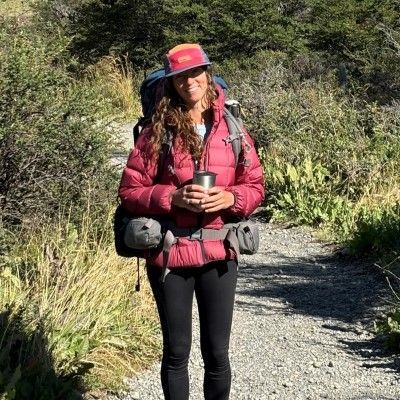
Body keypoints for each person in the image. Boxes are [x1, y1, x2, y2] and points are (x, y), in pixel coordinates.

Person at [118, 43, 265, 400]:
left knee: (217, 355)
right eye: (180, 77)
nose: (189, 82)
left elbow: (255, 184)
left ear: (207, 74)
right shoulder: (157, 130)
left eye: (195, 73)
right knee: (176, 354)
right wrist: (171, 197)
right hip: (171, 252)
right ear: (171, 83)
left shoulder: (231, 127)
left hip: (219, 250)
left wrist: (232, 197)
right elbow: (129, 191)